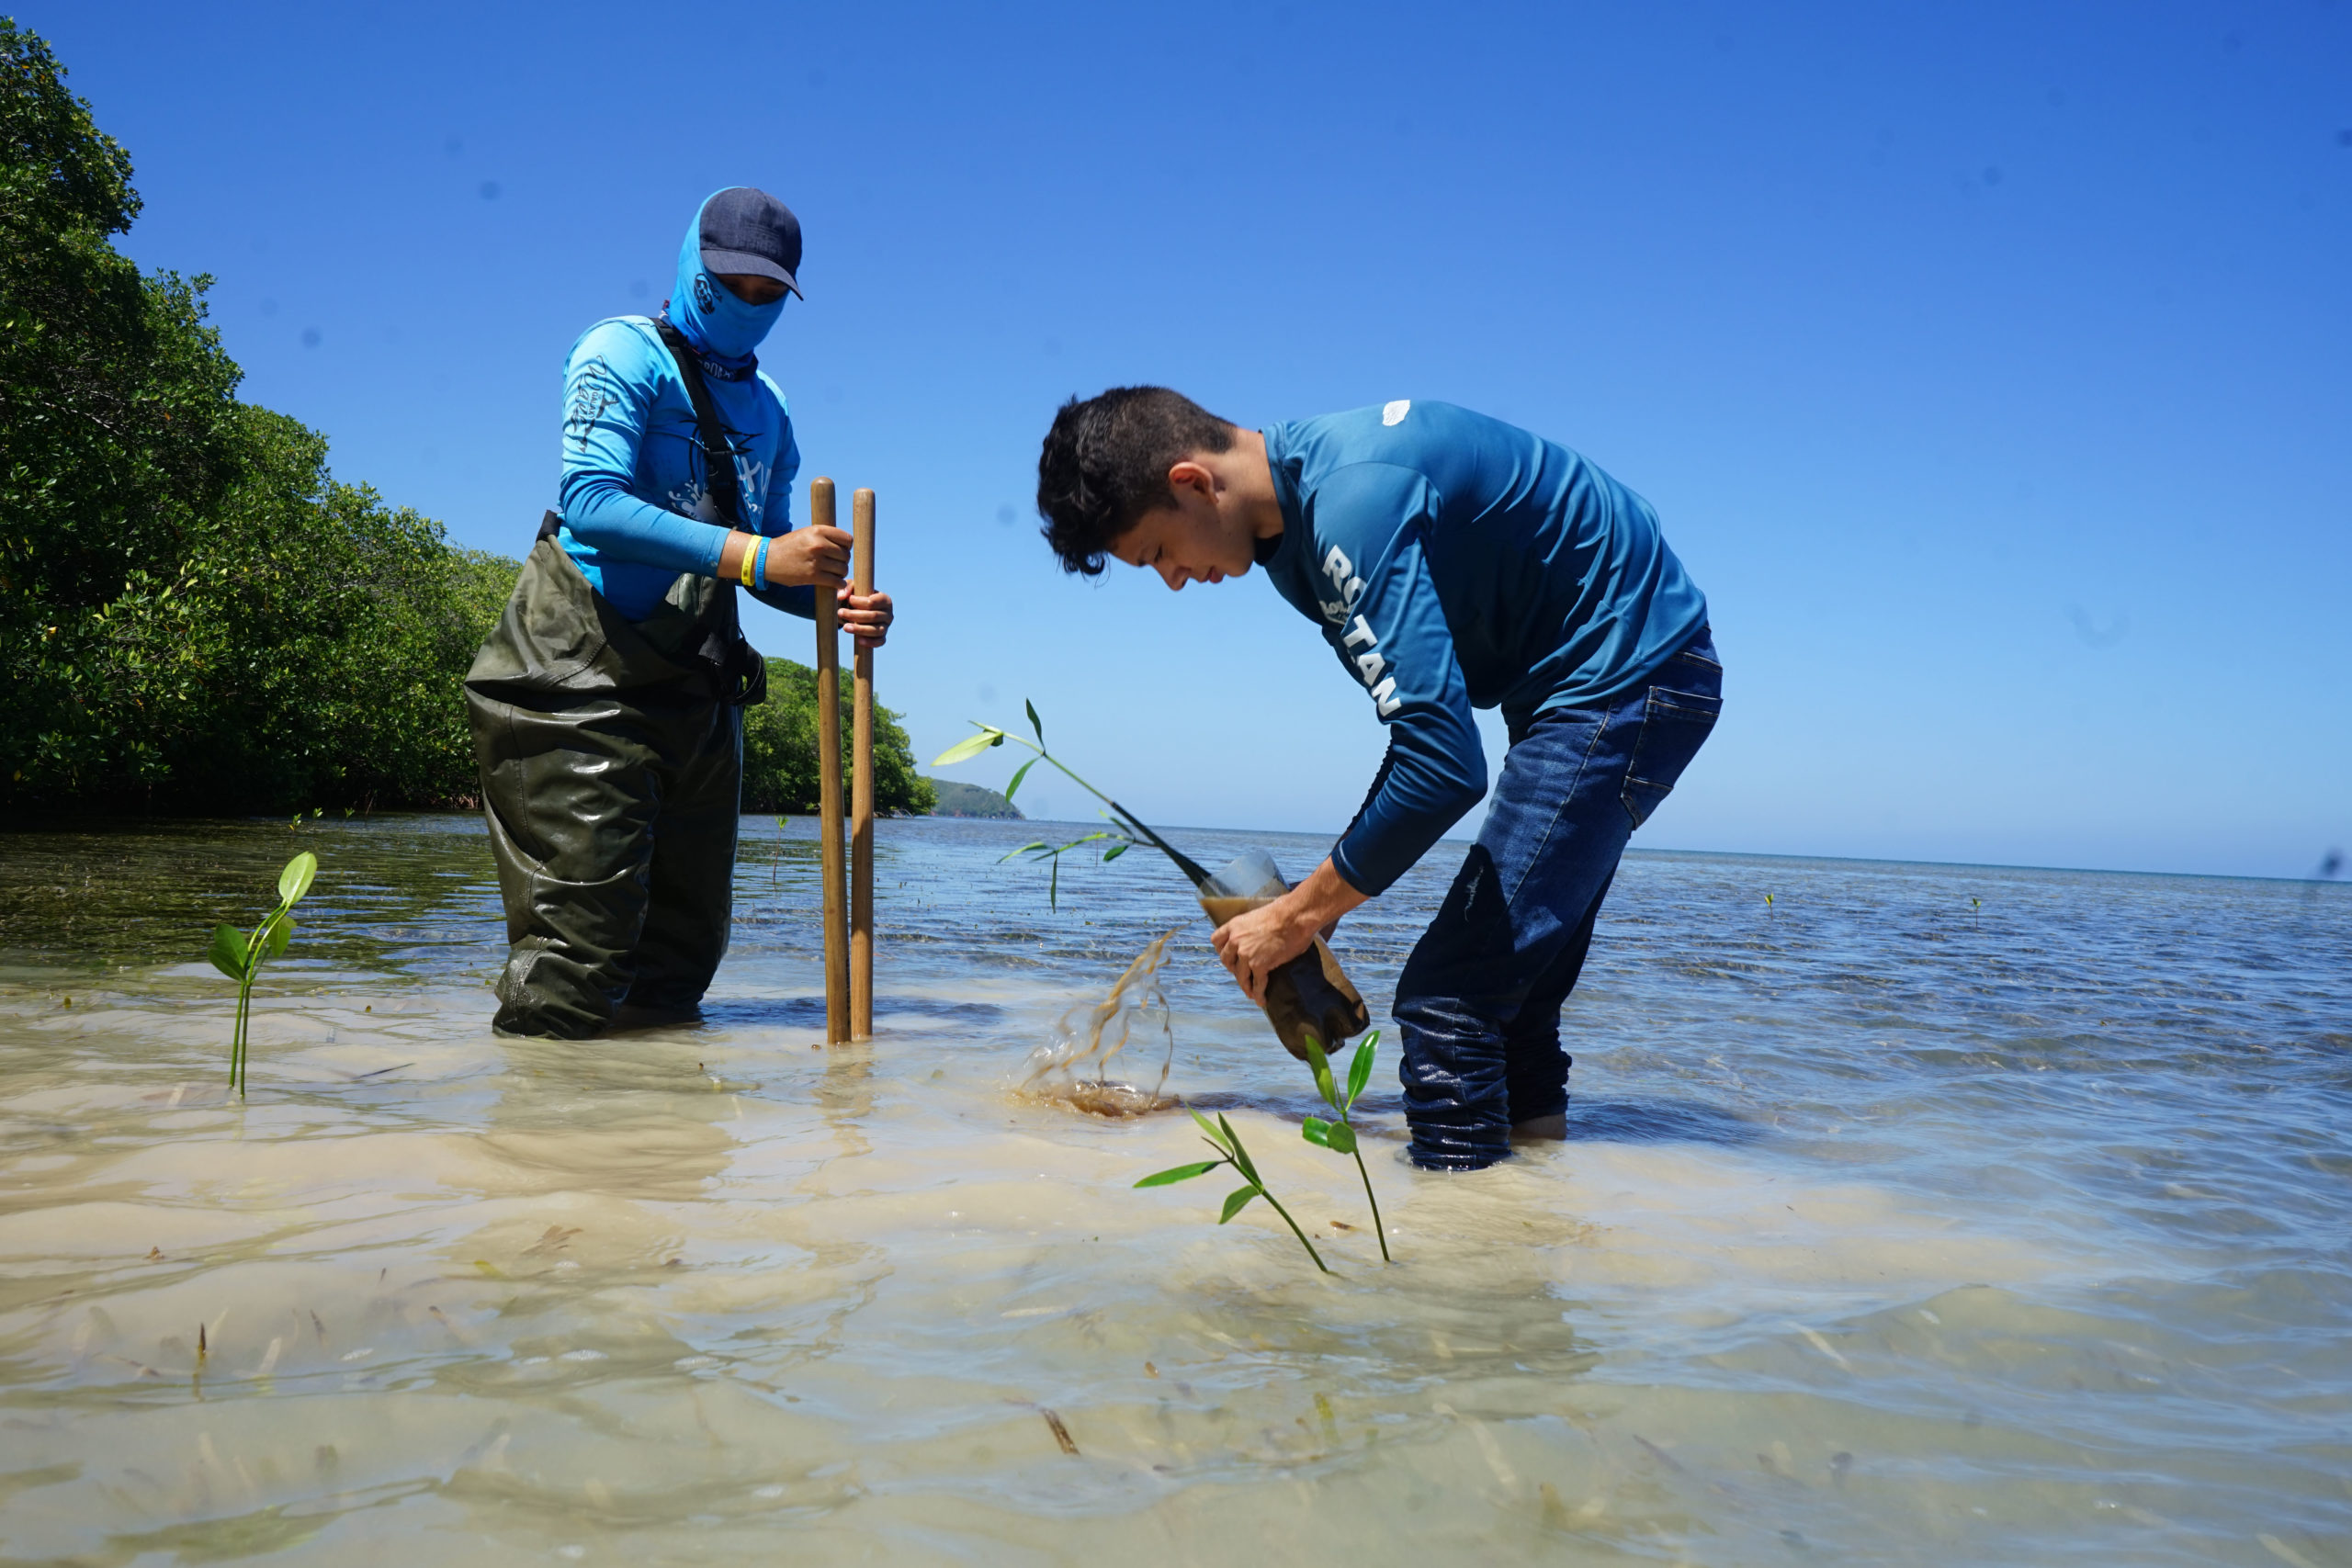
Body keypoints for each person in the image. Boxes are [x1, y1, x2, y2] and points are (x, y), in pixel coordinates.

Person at [1034, 389, 1717, 1170]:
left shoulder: (1351, 509)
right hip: (1593, 683)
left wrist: (1299, 913)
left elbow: (1444, 763)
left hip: (1630, 675)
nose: (1174, 581)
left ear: (1193, 482)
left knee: (1449, 1000)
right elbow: (1418, 741)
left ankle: (1450, 1279)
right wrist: (1319, 913)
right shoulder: (1292, 545)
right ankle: (1530, 1242)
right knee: (1509, 1004)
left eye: (1158, 552)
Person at [464, 187, 894, 1039]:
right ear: (694, 264)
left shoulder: (769, 411)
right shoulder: (621, 353)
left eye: (769, 292)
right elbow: (590, 500)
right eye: (733, 282)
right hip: (578, 678)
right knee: (575, 963)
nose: (749, 303)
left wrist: (833, 599)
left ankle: (662, 1158)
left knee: (681, 960)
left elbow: (771, 562)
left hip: (696, 689)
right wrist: (761, 556)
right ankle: (540, 1153)